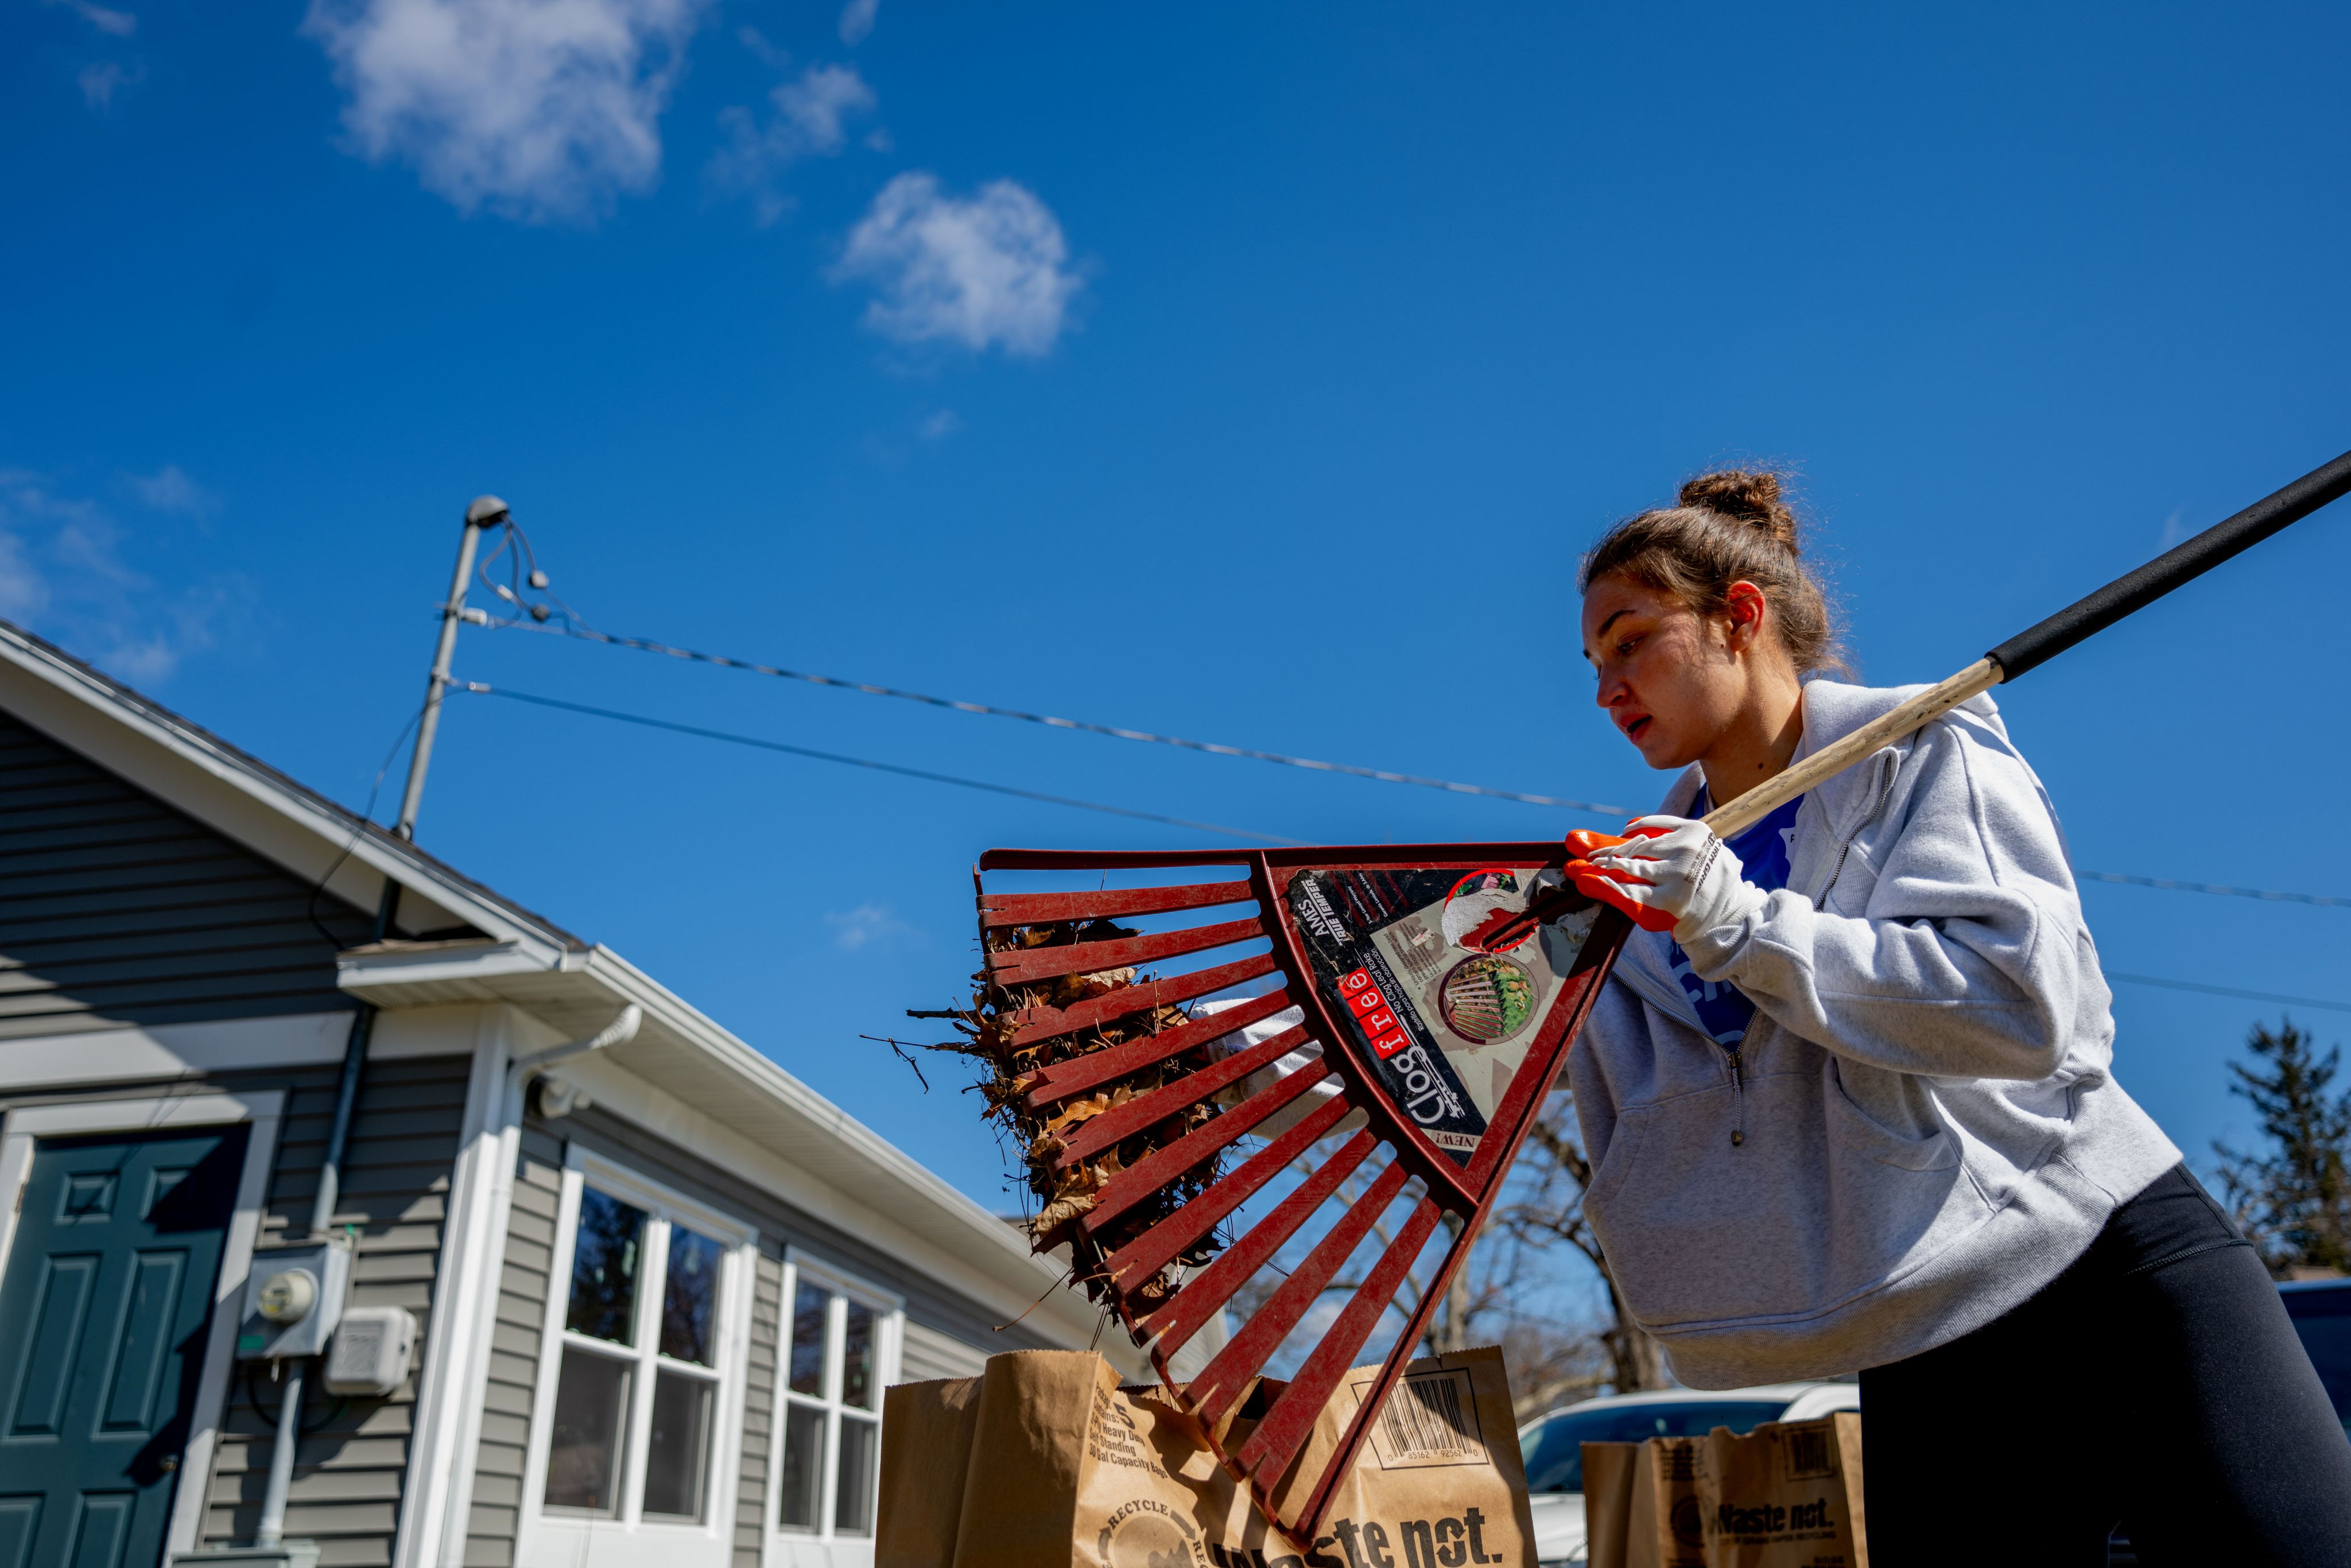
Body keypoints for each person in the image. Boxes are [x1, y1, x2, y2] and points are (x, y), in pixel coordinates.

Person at [1562, 469, 2351, 1564]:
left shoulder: (1916, 752)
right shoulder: (1644, 886)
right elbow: (1516, 1064)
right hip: (1919, 1316)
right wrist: (1275, 1075)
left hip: (2101, 1264)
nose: (1606, 686)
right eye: (1594, 663)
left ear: (1740, 617)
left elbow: (2022, 1008)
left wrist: (1742, 923)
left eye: (1630, 640)